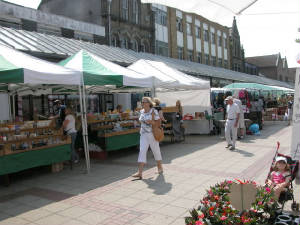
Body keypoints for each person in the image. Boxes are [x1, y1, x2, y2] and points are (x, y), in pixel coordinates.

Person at [132, 97, 163, 179]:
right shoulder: (141, 111)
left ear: (149, 103)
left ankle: (160, 167)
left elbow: (159, 123)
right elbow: (141, 121)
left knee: (156, 150)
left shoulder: (154, 111)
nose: (143, 103)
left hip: (152, 134)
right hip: (143, 134)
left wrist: (152, 122)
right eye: (142, 102)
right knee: (142, 151)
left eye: (144, 102)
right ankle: (140, 172)